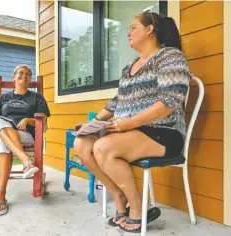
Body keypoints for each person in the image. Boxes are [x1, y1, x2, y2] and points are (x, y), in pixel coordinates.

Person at [74, 11, 191, 233]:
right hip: (129, 131)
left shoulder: (170, 57)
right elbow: (116, 101)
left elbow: (170, 102)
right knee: (82, 144)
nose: (128, 32)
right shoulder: (130, 67)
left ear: (150, 30)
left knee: (103, 147)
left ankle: (138, 208)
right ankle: (119, 197)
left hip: (164, 132)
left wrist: (131, 122)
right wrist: (95, 122)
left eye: (133, 27)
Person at [0, 65, 51, 216]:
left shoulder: (37, 98)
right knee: (0, 122)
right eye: (21, 73)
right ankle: (25, 160)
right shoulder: (3, 98)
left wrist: (28, 119)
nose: (25, 76)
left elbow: (45, 125)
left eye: (28, 74)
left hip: (25, 135)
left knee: (4, 142)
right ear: (13, 77)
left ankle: (0, 193)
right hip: (0, 132)